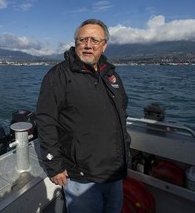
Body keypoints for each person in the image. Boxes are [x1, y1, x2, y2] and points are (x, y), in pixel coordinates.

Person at [35, 18, 130, 212]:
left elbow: (122, 111)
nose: (88, 46)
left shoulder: (111, 75)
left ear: (104, 45)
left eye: (94, 41)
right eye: (82, 40)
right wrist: (53, 164)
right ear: (75, 43)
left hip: (115, 172)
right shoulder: (58, 76)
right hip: (82, 175)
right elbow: (46, 120)